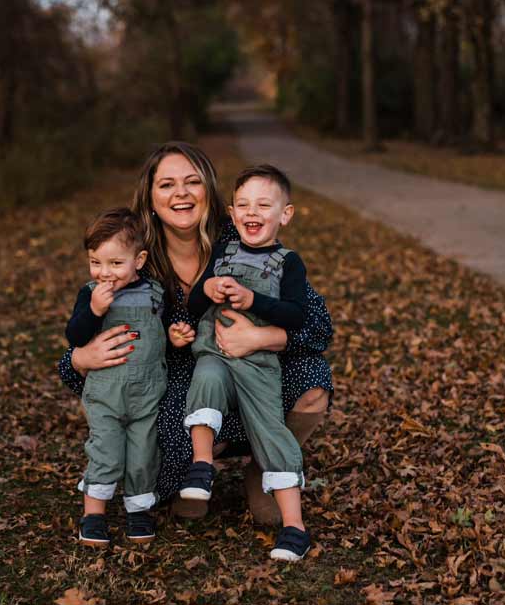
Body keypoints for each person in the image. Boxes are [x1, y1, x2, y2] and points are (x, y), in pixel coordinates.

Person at [57, 141, 332, 525]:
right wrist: (81, 359)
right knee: (181, 415)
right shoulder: (133, 259)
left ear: (209, 190)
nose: (181, 193)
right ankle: (193, 469)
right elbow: (74, 351)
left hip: (248, 362)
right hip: (170, 378)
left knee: (312, 381)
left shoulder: (241, 240)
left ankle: (265, 469)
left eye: (192, 182)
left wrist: (263, 338)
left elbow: (317, 324)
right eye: (167, 184)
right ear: (150, 197)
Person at [181, 165, 312, 561]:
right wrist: (206, 287)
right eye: (243, 205)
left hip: (258, 365)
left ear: (284, 214)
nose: (252, 212)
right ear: (232, 212)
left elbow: (296, 314)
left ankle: (295, 528)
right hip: (216, 353)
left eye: (263, 205)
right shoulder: (222, 252)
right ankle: (202, 465)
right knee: (204, 377)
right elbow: (193, 306)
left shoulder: (288, 263)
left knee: (271, 430)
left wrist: (254, 302)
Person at [65, 208, 194, 547]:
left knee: (143, 455)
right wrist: (94, 311)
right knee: (105, 452)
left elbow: (158, 334)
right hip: (106, 392)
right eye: (96, 262)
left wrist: (175, 337)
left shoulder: (155, 292)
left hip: (148, 393)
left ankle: (138, 511)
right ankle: (93, 515)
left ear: (139, 260)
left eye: (115, 263)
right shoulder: (90, 293)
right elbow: (75, 336)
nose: (105, 273)